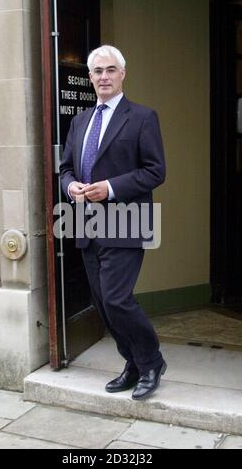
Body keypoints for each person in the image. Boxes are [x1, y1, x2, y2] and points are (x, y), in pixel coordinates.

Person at [60, 45, 166, 400]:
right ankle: (132, 364)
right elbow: (65, 169)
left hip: (126, 220)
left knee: (117, 299)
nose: (103, 77)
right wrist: (70, 185)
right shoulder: (79, 121)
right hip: (87, 224)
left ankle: (152, 362)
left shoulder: (142, 118)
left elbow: (155, 171)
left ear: (122, 74)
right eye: (97, 71)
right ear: (89, 78)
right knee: (102, 302)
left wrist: (109, 188)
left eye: (110, 70)